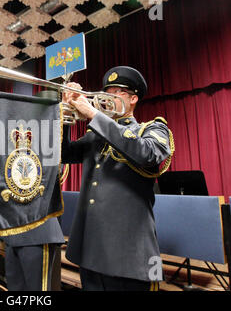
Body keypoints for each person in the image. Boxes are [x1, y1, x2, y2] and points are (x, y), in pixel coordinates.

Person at [61, 66, 173, 291]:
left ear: (133, 99)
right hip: (91, 250)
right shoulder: (96, 135)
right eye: (107, 91)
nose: (108, 96)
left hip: (130, 255)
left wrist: (94, 115)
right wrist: (65, 114)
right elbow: (63, 154)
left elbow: (147, 154)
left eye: (118, 92)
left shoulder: (152, 129)